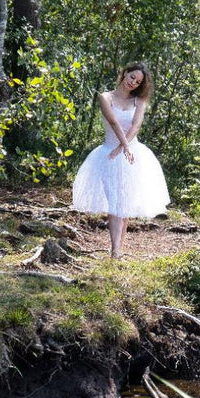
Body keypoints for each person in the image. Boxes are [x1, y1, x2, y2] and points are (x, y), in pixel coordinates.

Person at [72, 63, 170, 258]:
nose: (133, 82)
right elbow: (114, 123)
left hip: (133, 155)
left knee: (124, 203)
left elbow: (136, 125)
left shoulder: (139, 100)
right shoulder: (105, 97)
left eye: (138, 81)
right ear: (125, 73)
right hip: (110, 154)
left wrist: (125, 146)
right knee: (115, 201)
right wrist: (121, 147)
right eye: (132, 77)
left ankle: (117, 249)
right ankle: (115, 249)